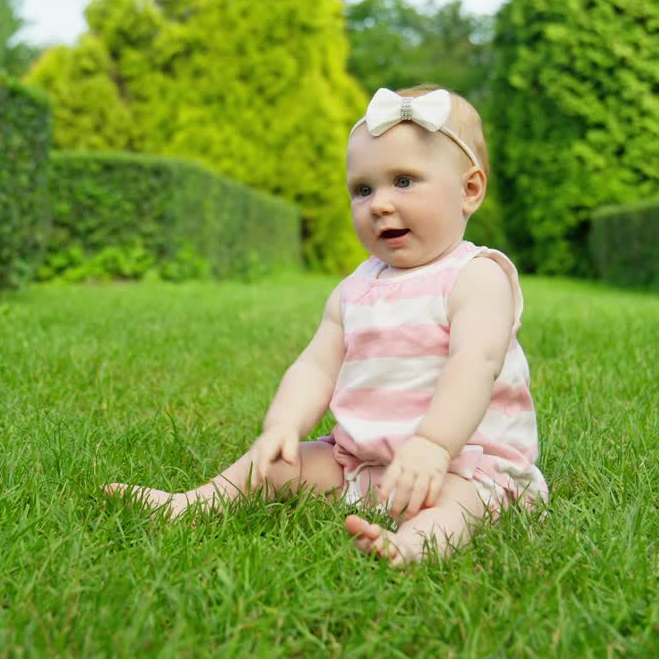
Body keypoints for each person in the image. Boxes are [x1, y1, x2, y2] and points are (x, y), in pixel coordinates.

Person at [105, 84, 548, 566]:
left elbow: (475, 363)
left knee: (458, 506)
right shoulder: (355, 288)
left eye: (404, 181)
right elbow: (317, 367)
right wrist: (283, 424)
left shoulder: (476, 276)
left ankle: (411, 546)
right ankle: (193, 504)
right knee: (276, 465)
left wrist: (433, 445)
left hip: (464, 462)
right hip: (360, 462)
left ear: (470, 189)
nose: (379, 203)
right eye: (363, 188)